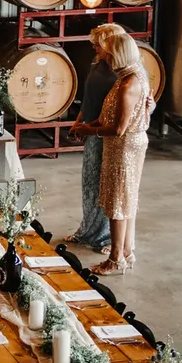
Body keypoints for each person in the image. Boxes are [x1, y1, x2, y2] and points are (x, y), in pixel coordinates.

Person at [70, 29, 154, 275]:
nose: (103, 55)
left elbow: (119, 128)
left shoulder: (129, 83)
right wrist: (89, 124)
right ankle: (127, 250)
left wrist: (89, 132)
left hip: (124, 147)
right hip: (122, 145)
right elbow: (109, 115)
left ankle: (115, 258)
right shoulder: (127, 76)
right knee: (125, 199)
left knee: (118, 201)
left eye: (106, 51)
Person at [62, 24, 117, 255]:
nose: (94, 47)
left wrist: (91, 127)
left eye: (97, 44)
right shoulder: (97, 62)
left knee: (107, 185)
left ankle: (108, 238)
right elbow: (88, 98)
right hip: (90, 128)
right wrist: (79, 121)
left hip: (108, 133)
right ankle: (88, 230)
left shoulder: (121, 71)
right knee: (90, 182)